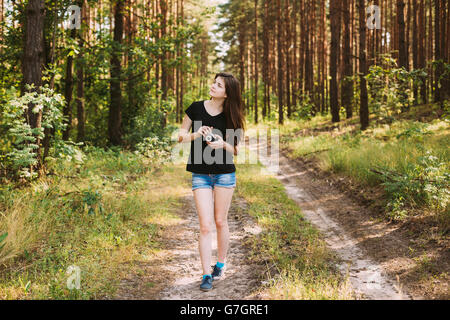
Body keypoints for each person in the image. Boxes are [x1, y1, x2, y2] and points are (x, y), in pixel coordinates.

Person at [177, 72, 246, 291]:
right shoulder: (196, 108)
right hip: (200, 173)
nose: (213, 86)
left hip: (225, 173)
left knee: (220, 221)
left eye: (218, 85)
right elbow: (180, 135)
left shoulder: (232, 115)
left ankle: (220, 264)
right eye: (214, 83)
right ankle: (206, 274)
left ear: (227, 93)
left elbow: (235, 149)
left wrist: (222, 144)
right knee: (205, 225)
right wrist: (197, 134)